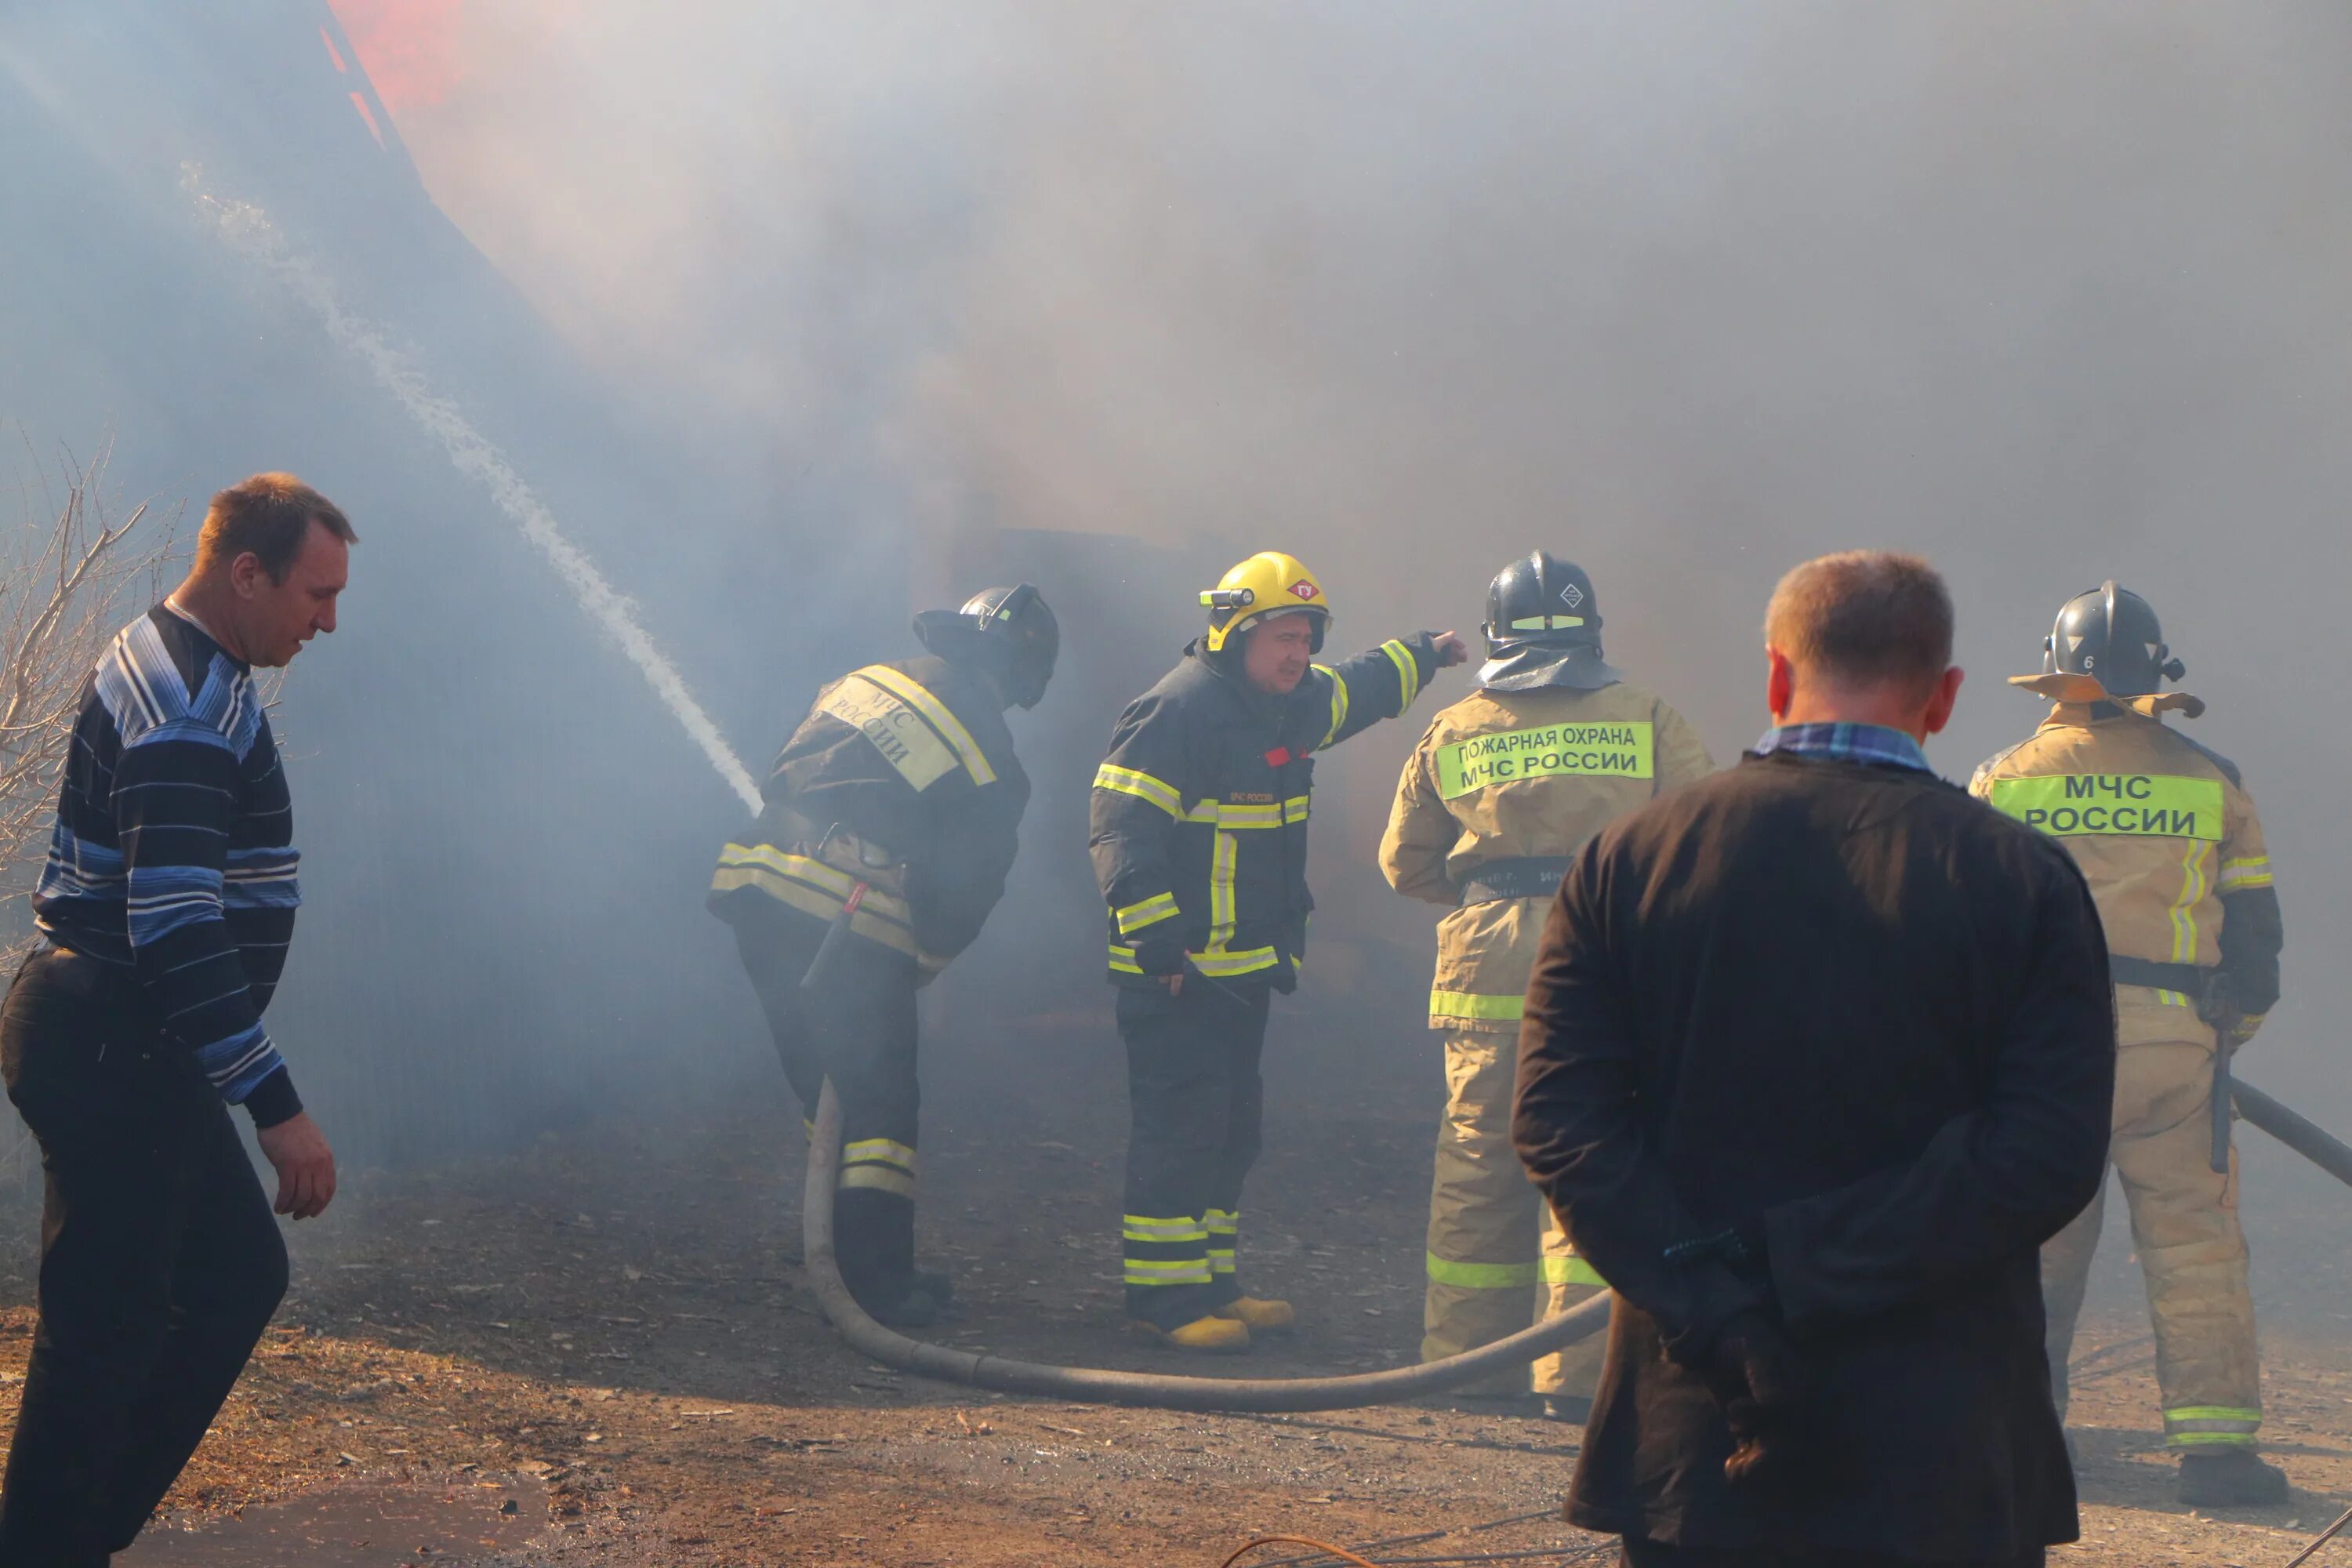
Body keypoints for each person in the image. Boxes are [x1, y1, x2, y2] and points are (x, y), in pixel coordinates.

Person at [1515, 550, 2114, 1567]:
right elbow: (2046, 1156)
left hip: (1701, 1437)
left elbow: (1561, 1127)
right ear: (1945, 698)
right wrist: (1809, 1266)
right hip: (1940, 1447)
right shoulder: (2025, 880)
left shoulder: (1628, 859)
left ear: (1777, 679)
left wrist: (1723, 1308)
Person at [0, 474, 353, 1566]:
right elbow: (176, 926)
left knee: (233, 1277)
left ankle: (73, 1538)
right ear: (246, 573)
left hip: (125, 1035)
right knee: (101, 1334)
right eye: (314, 593)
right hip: (115, 1036)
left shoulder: (182, 657)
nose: (326, 622)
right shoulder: (192, 706)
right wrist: (276, 1106)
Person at [1091, 550, 1465, 1352]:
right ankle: (1161, 1299)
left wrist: (1425, 654)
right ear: (1231, 633)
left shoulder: (1285, 706)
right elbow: (1122, 829)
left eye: (1306, 637)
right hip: (1179, 975)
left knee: (1231, 1133)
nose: (1298, 654)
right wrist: (1157, 938)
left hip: (1240, 973)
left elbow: (1359, 688)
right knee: (1180, 1133)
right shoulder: (1179, 711)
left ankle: (1214, 1284)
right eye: (1282, 638)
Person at [1970, 582, 2287, 1507]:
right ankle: (2220, 1455)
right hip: (2173, 1049)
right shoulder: (2210, 778)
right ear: (2157, 672)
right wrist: (2218, 1041)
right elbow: (2257, 943)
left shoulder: (2004, 778)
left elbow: (1964, 933)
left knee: (2031, 1245)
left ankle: (2020, 1444)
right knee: (2195, 1246)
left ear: (2058, 672)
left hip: (2044, 1052)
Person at [1380, 552, 1711, 1417]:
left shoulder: (1456, 727)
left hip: (1483, 966)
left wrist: (1488, 897)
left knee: (1478, 1163)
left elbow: (1402, 862)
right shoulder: (1645, 714)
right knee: (1594, 1161)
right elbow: (1707, 833)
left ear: (1495, 641)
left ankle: (1464, 1367)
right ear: (1590, 634)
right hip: (1605, 955)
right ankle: (1572, 1379)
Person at [710, 586, 1054, 1328]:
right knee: (880, 1109)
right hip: (843, 916)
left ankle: (822, 1240)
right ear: (1022, 677)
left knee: (825, 1087)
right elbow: (966, 890)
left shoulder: (866, 679)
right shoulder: (992, 753)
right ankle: (875, 1284)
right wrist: (923, 960)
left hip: (755, 884)